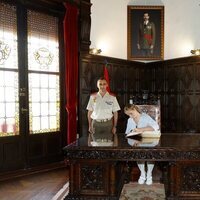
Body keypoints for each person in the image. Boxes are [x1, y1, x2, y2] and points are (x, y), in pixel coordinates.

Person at [124, 104, 160, 185]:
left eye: (131, 113)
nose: (130, 116)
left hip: (148, 141)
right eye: (128, 115)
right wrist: (132, 133)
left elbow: (156, 126)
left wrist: (141, 129)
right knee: (139, 156)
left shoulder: (145, 117)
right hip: (136, 141)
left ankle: (149, 175)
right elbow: (127, 132)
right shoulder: (130, 120)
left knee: (150, 156)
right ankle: (143, 174)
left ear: (135, 109)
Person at [86, 77, 120, 141]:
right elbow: (89, 112)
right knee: (95, 144)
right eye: (100, 84)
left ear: (107, 85)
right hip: (96, 124)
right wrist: (90, 125)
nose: (102, 86)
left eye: (104, 84)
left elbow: (115, 113)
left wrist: (114, 126)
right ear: (97, 85)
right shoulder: (92, 97)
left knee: (109, 144)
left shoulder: (112, 97)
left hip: (108, 124)